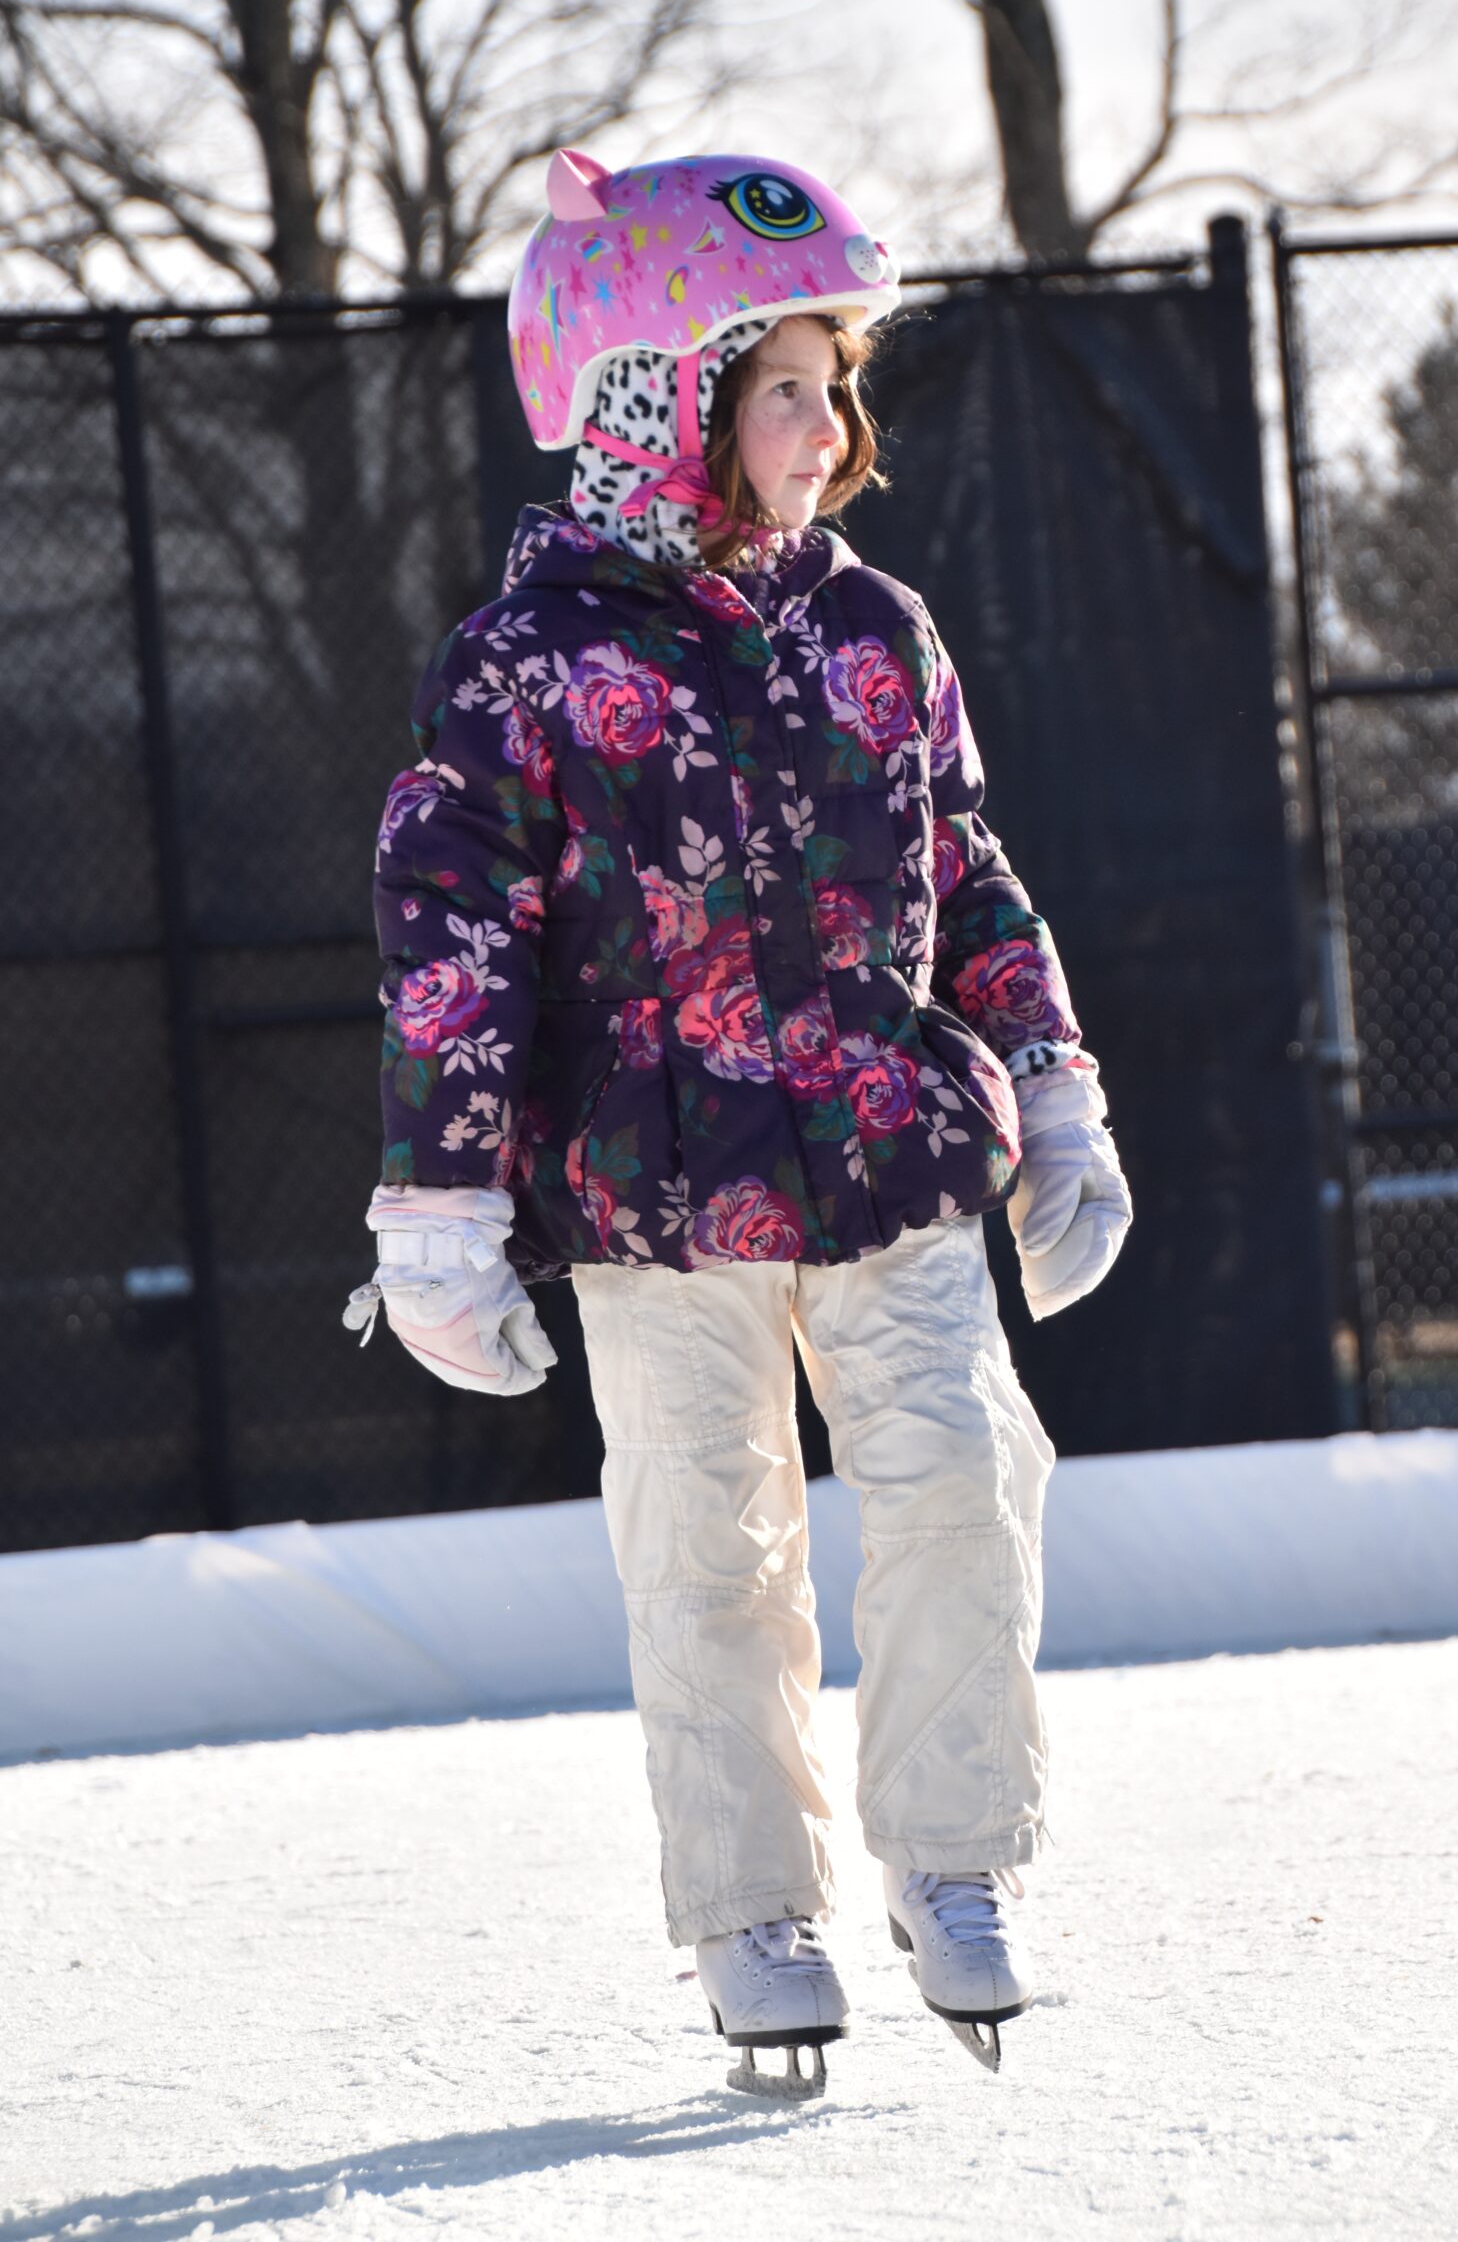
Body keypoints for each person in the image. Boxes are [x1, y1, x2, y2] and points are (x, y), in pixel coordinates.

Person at [347, 150, 1131, 2093]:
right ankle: (750, 1909)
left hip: (883, 1144)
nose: (829, 425)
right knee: (706, 1541)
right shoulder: (534, 661)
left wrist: (1049, 1078)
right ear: (661, 399)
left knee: (957, 1463)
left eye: (836, 382)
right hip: (650, 1174)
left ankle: (947, 1861)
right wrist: (436, 1204)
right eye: (784, 381)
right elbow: (452, 933)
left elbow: (974, 865)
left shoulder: (879, 630)